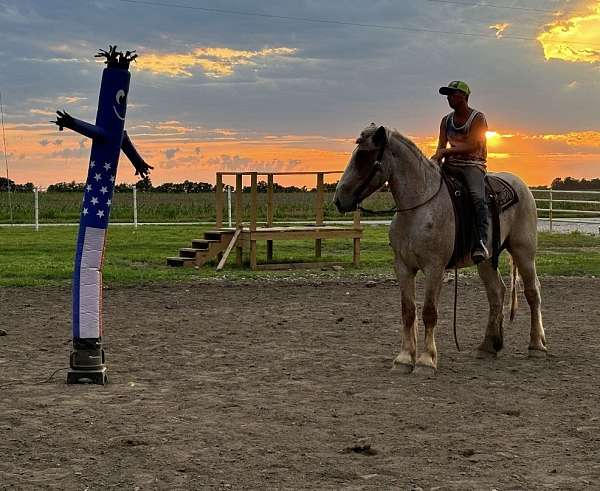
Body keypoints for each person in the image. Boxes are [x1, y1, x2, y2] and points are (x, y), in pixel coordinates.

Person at [431, 80, 490, 264]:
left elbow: (473, 144)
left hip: (473, 165)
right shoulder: (446, 120)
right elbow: (441, 145)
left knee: (477, 197)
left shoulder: (478, 118)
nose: (449, 98)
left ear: (464, 96)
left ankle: (481, 240)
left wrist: (445, 152)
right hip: (450, 164)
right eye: (447, 95)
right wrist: (435, 161)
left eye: (452, 94)